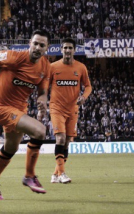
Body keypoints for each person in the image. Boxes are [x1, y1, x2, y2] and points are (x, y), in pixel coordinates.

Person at [0, 29, 51, 200]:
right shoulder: (16, 57)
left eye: (41, 45)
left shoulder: (45, 67)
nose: (37, 47)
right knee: (40, 131)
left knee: (11, 147)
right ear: (30, 42)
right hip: (1, 107)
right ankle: (29, 176)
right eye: (35, 43)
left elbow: (42, 90)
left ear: (47, 48)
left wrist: (43, 100)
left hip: (19, 109)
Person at [49, 38, 92, 184]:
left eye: (70, 48)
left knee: (66, 143)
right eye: (65, 48)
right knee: (60, 138)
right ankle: (62, 174)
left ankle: (55, 174)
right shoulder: (53, 67)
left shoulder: (81, 68)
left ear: (74, 50)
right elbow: (43, 85)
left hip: (73, 109)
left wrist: (84, 97)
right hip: (56, 108)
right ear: (61, 49)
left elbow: (88, 86)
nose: (67, 50)